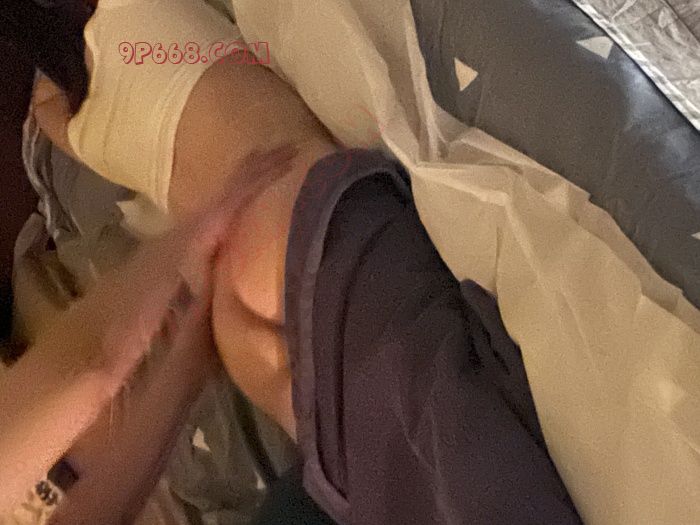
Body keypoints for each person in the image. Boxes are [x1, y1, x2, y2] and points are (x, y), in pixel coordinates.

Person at [12, 0, 582, 522]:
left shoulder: (68, 119)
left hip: (247, 310)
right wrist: (186, 261)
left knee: (421, 466)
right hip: (253, 251)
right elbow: (90, 366)